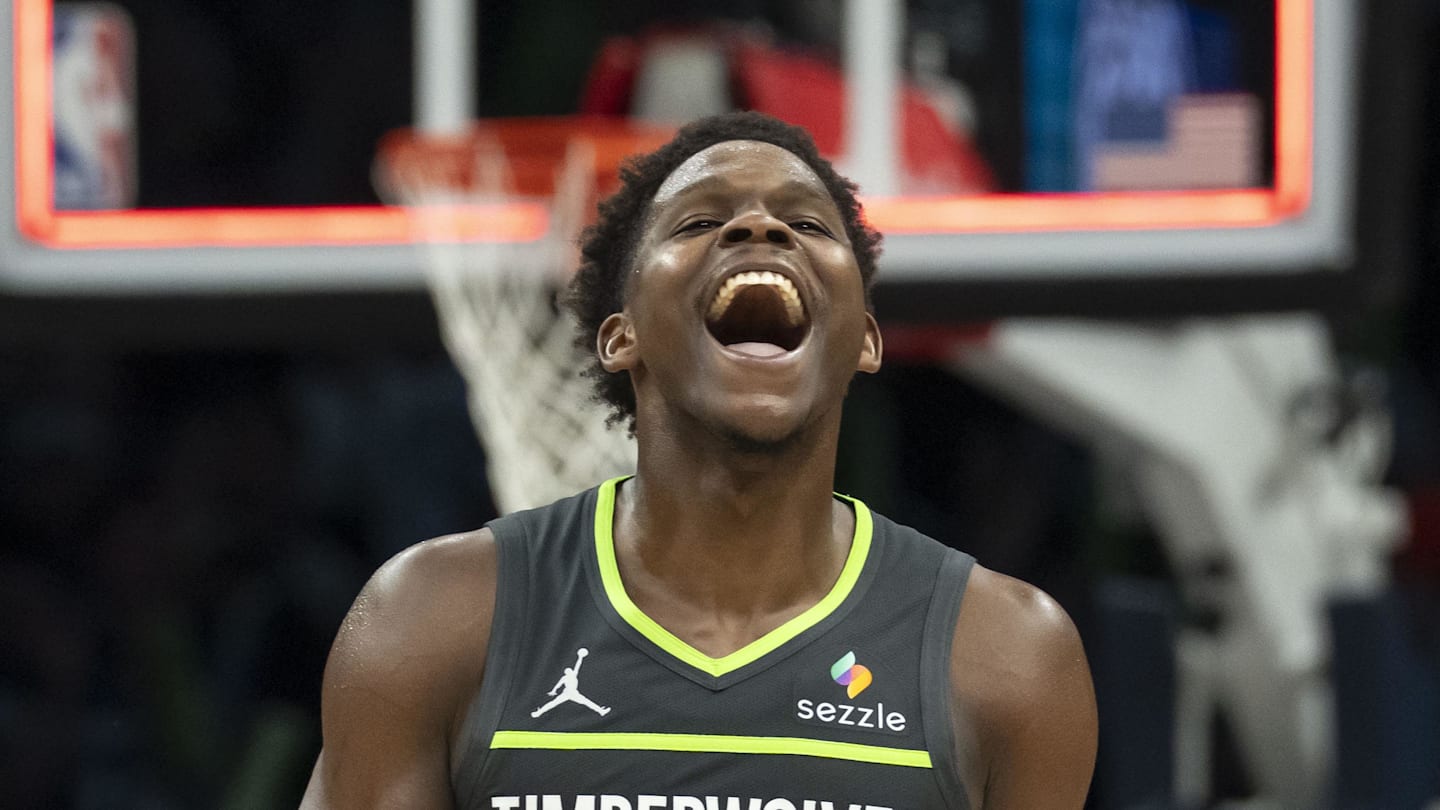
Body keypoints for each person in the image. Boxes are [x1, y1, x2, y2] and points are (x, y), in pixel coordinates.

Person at [300, 111, 1097, 809]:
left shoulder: (1004, 655)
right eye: (695, 223)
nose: (761, 229)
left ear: (865, 340)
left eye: (809, 224)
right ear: (620, 336)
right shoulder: (433, 621)